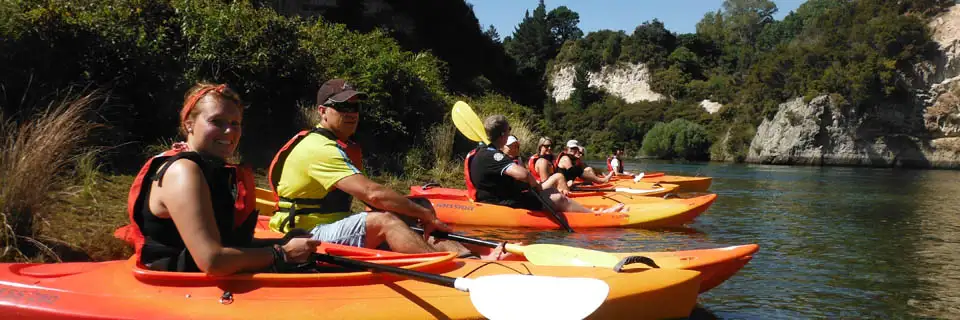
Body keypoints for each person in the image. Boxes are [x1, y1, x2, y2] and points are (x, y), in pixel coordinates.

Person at [126, 83, 319, 275]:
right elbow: (212, 260)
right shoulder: (183, 171)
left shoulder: (208, 168)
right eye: (217, 121)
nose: (229, 131)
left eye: (235, 123)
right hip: (176, 288)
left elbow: (231, 245)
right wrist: (282, 253)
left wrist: (282, 241)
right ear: (189, 124)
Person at [267, 78, 471, 255]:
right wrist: (424, 215)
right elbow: (373, 195)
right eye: (343, 107)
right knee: (385, 221)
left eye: (355, 107)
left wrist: (419, 212)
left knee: (418, 207)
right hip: (306, 231)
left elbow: (375, 199)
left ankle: (466, 257)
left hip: (332, 222)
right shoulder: (319, 148)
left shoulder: (339, 146)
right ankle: (445, 268)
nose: (351, 114)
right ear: (323, 112)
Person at [465, 115, 624, 213]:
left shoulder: (481, 152)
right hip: (501, 203)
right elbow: (524, 174)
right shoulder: (493, 156)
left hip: (499, 197)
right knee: (555, 197)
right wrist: (536, 187)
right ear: (503, 134)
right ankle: (596, 215)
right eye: (509, 130)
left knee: (551, 192)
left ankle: (587, 211)